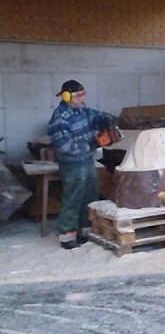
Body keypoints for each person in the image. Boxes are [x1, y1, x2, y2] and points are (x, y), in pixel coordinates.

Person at [47, 80, 114, 250]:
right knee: (73, 198)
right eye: (79, 95)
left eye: (84, 94)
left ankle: (85, 232)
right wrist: (92, 144)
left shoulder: (83, 110)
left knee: (90, 197)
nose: (82, 99)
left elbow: (97, 116)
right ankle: (67, 237)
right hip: (72, 164)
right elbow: (63, 145)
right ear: (67, 96)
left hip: (87, 160)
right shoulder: (60, 117)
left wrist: (106, 120)